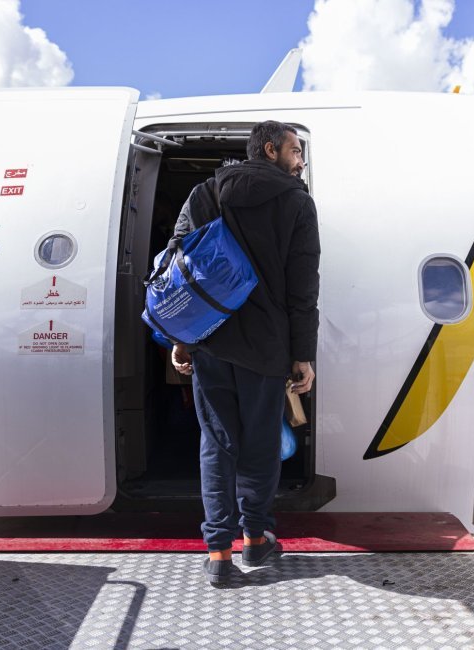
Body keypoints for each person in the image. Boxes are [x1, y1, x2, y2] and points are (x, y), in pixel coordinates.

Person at [169, 121, 320, 585]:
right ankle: (255, 541)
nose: (301, 162)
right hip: (267, 349)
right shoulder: (297, 202)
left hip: (212, 342)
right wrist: (303, 354)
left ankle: (218, 553)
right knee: (260, 446)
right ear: (270, 150)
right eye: (296, 152)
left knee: (217, 445)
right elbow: (303, 286)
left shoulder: (206, 193)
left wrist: (183, 336)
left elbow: (179, 268)